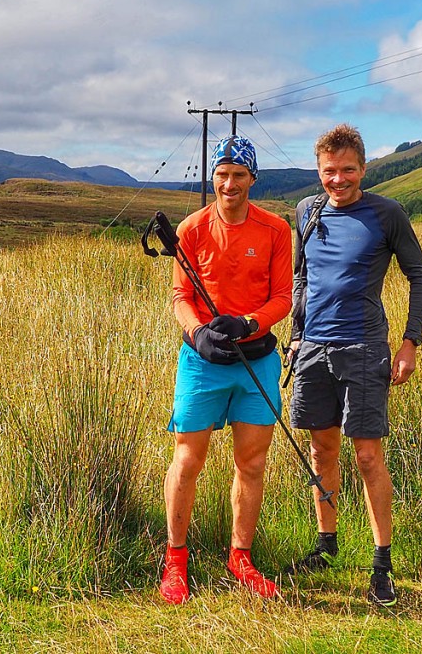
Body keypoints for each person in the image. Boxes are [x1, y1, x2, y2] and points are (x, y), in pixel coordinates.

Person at [286, 123, 422, 607]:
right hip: (312, 351)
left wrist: (410, 343)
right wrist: (296, 336)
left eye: (348, 170)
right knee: (321, 451)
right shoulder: (306, 211)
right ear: (319, 171)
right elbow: (301, 277)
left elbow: (419, 275)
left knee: (367, 456)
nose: (338, 180)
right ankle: (326, 546)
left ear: (363, 169)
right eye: (329, 171)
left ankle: (382, 565)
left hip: (365, 349)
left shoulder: (387, 213)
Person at [159, 135, 294, 604]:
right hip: (202, 363)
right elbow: (180, 295)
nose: (229, 184)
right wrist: (198, 333)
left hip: (256, 361)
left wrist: (249, 323)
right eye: (222, 174)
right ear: (212, 176)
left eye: (239, 175)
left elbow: (283, 297)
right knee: (187, 460)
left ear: (252, 178)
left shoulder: (275, 230)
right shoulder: (191, 229)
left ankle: (241, 558)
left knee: (251, 463)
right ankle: (176, 560)